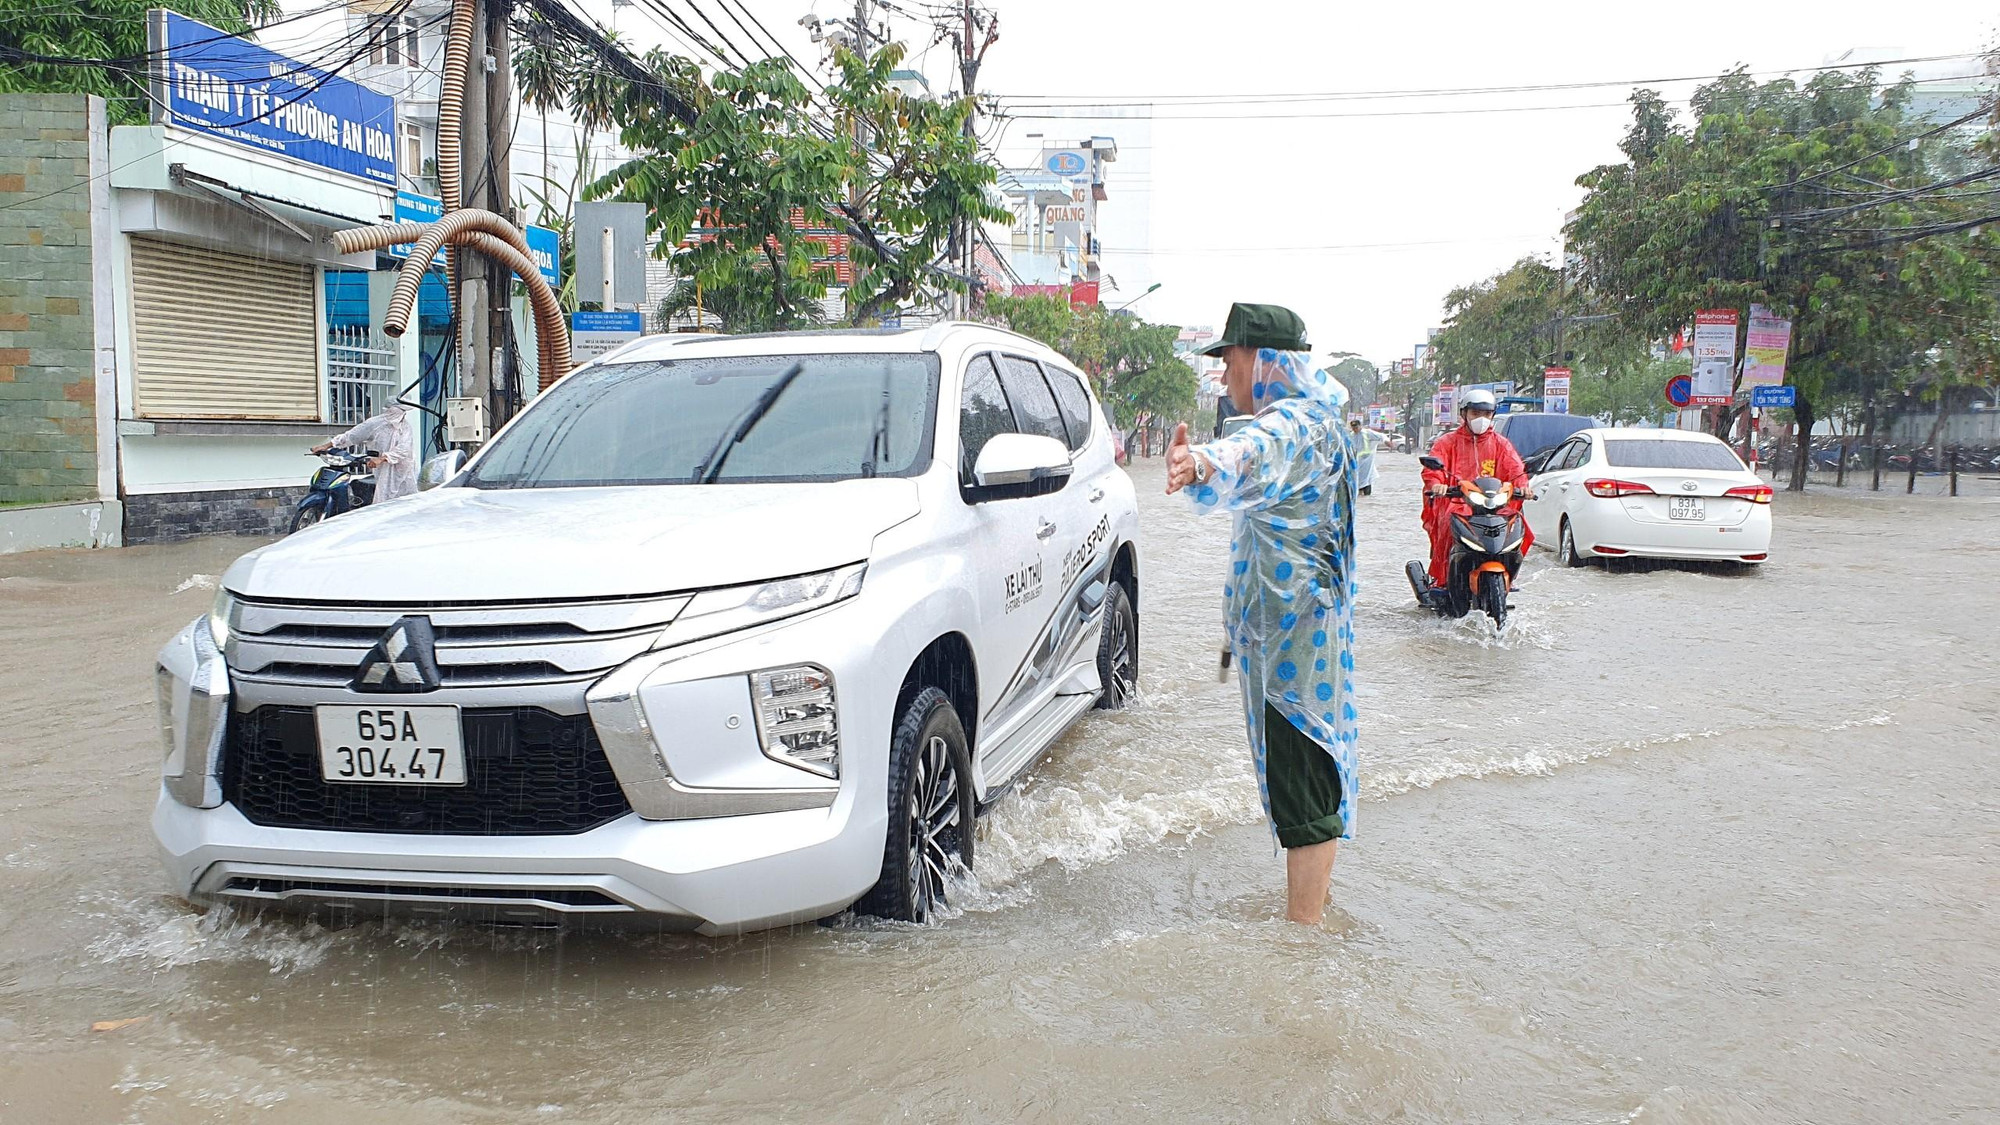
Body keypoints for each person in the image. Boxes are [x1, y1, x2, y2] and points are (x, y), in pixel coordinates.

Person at [1165, 302, 1358, 926]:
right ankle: (1316, 912)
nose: (1225, 377)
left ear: (1266, 361)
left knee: (1302, 787)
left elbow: (1249, 451)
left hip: (1291, 642)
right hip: (1302, 631)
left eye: (1231, 361)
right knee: (1307, 773)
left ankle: (1304, 944)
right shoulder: (1321, 423)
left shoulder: (1293, 425)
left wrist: (1200, 463)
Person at [1418, 388, 1530, 588]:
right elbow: (1433, 469)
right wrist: (1437, 485)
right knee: (1447, 527)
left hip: (1493, 504)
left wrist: (1523, 487)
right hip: (1457, 502)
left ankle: (1508, 575)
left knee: (1520, 527)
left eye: (1486, 414)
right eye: (1476, 413)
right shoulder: (1447, 442)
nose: (1481, 419)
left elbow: (1515, 470)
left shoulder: (1501, 444)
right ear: (1464, 414)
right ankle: (1444, 579)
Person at [311, 401, 417, 503]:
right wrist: (325, 446)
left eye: (403, 411)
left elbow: (404, 449)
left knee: (406, 501)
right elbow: (352, 435)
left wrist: (382, 459)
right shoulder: (375, 424)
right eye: (398, 410)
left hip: (404, 470)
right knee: (384, 500)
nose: (401, 414)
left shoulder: (405, 427)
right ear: (388, 410)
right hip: (383, 469)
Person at [1350, 417, 1378, 497]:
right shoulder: (1351, 435)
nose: (1355, 429)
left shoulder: (1367, 433)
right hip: (1355, 465)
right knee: (1357, 485)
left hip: (1366, 464)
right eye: (1353, 428)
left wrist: (1386, 441)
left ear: (1360, 426)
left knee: (1366, 485)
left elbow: (1380, 437)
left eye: (1356, 427)